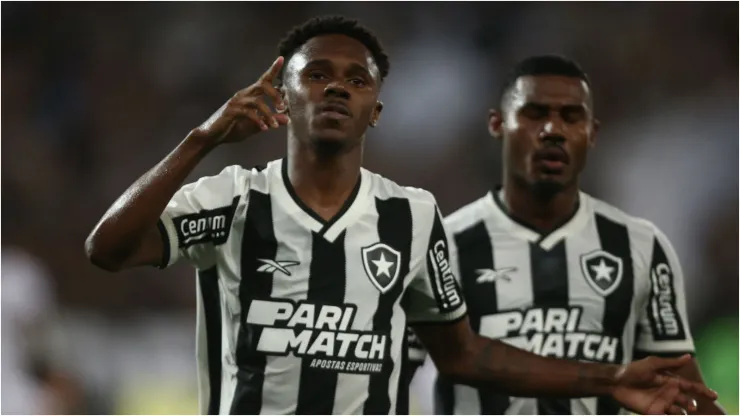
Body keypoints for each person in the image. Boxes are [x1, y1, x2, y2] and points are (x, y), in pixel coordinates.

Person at [85, 17, 716, 415]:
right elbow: (108, 249)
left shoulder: (411, 217)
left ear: (376, 110)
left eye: (356, 79)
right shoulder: (233, 200)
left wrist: (608, 380)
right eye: (318, 75)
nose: (336, 87)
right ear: (283, 96)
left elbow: (464, 355)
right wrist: (200, 140)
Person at [404, 55, 725, 415]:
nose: (552, 131)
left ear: (592, 133)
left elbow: (685, 393)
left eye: (571, 117)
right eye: (534, 114)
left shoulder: (641, 249)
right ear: (498, 125)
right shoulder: (443, 248)